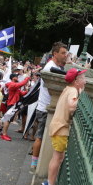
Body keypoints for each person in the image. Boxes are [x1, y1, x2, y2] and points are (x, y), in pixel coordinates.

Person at [42, 68, 86, 185]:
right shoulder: (73, 90)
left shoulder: (68, 89)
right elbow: (72, 106)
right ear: (76, 81)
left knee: (58, 157)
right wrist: (81, 94)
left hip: (58, 126)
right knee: (57, 158)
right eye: (83, 78)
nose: (85, 80)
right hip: (61, 128)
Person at [30, 42, 68, 173]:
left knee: (42, 136)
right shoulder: (50, 67)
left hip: (45, 107)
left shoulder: (55, 66)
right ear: (55, 53)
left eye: (66, 53)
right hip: (46, 108)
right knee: (41, 136)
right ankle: (34, 165)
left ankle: (35, 162)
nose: (65, 55)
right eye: (63, 53)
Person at [0, 73, 30, 141]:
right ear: (13, 78)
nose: (18, 78)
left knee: (9, 120)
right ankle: (4, 134)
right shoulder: (12, 84)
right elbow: (21, 84)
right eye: (17, 77)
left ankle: (4, 133)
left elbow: (21, 93)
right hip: (11, 104)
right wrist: (27, 78)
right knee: (8, 120)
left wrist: (28, 91)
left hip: (13, 104)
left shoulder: (14, 86)